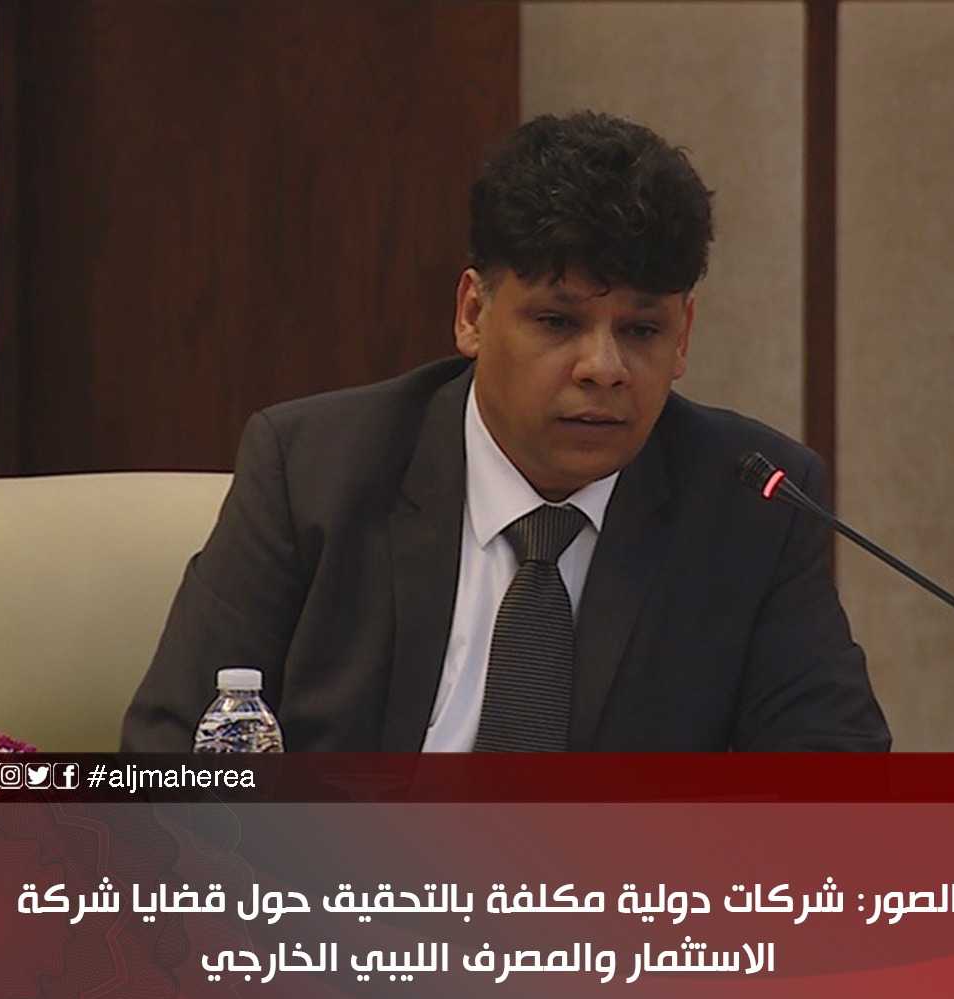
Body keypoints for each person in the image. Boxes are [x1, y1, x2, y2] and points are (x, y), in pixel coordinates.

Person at [122, 110, 889, 752]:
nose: (603, 368)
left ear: (683, 336)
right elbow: (169, 753)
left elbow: (836, 792)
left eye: (641, 331)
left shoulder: (753, 505)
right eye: (557, 322)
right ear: (472, 314)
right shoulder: (313, 471)